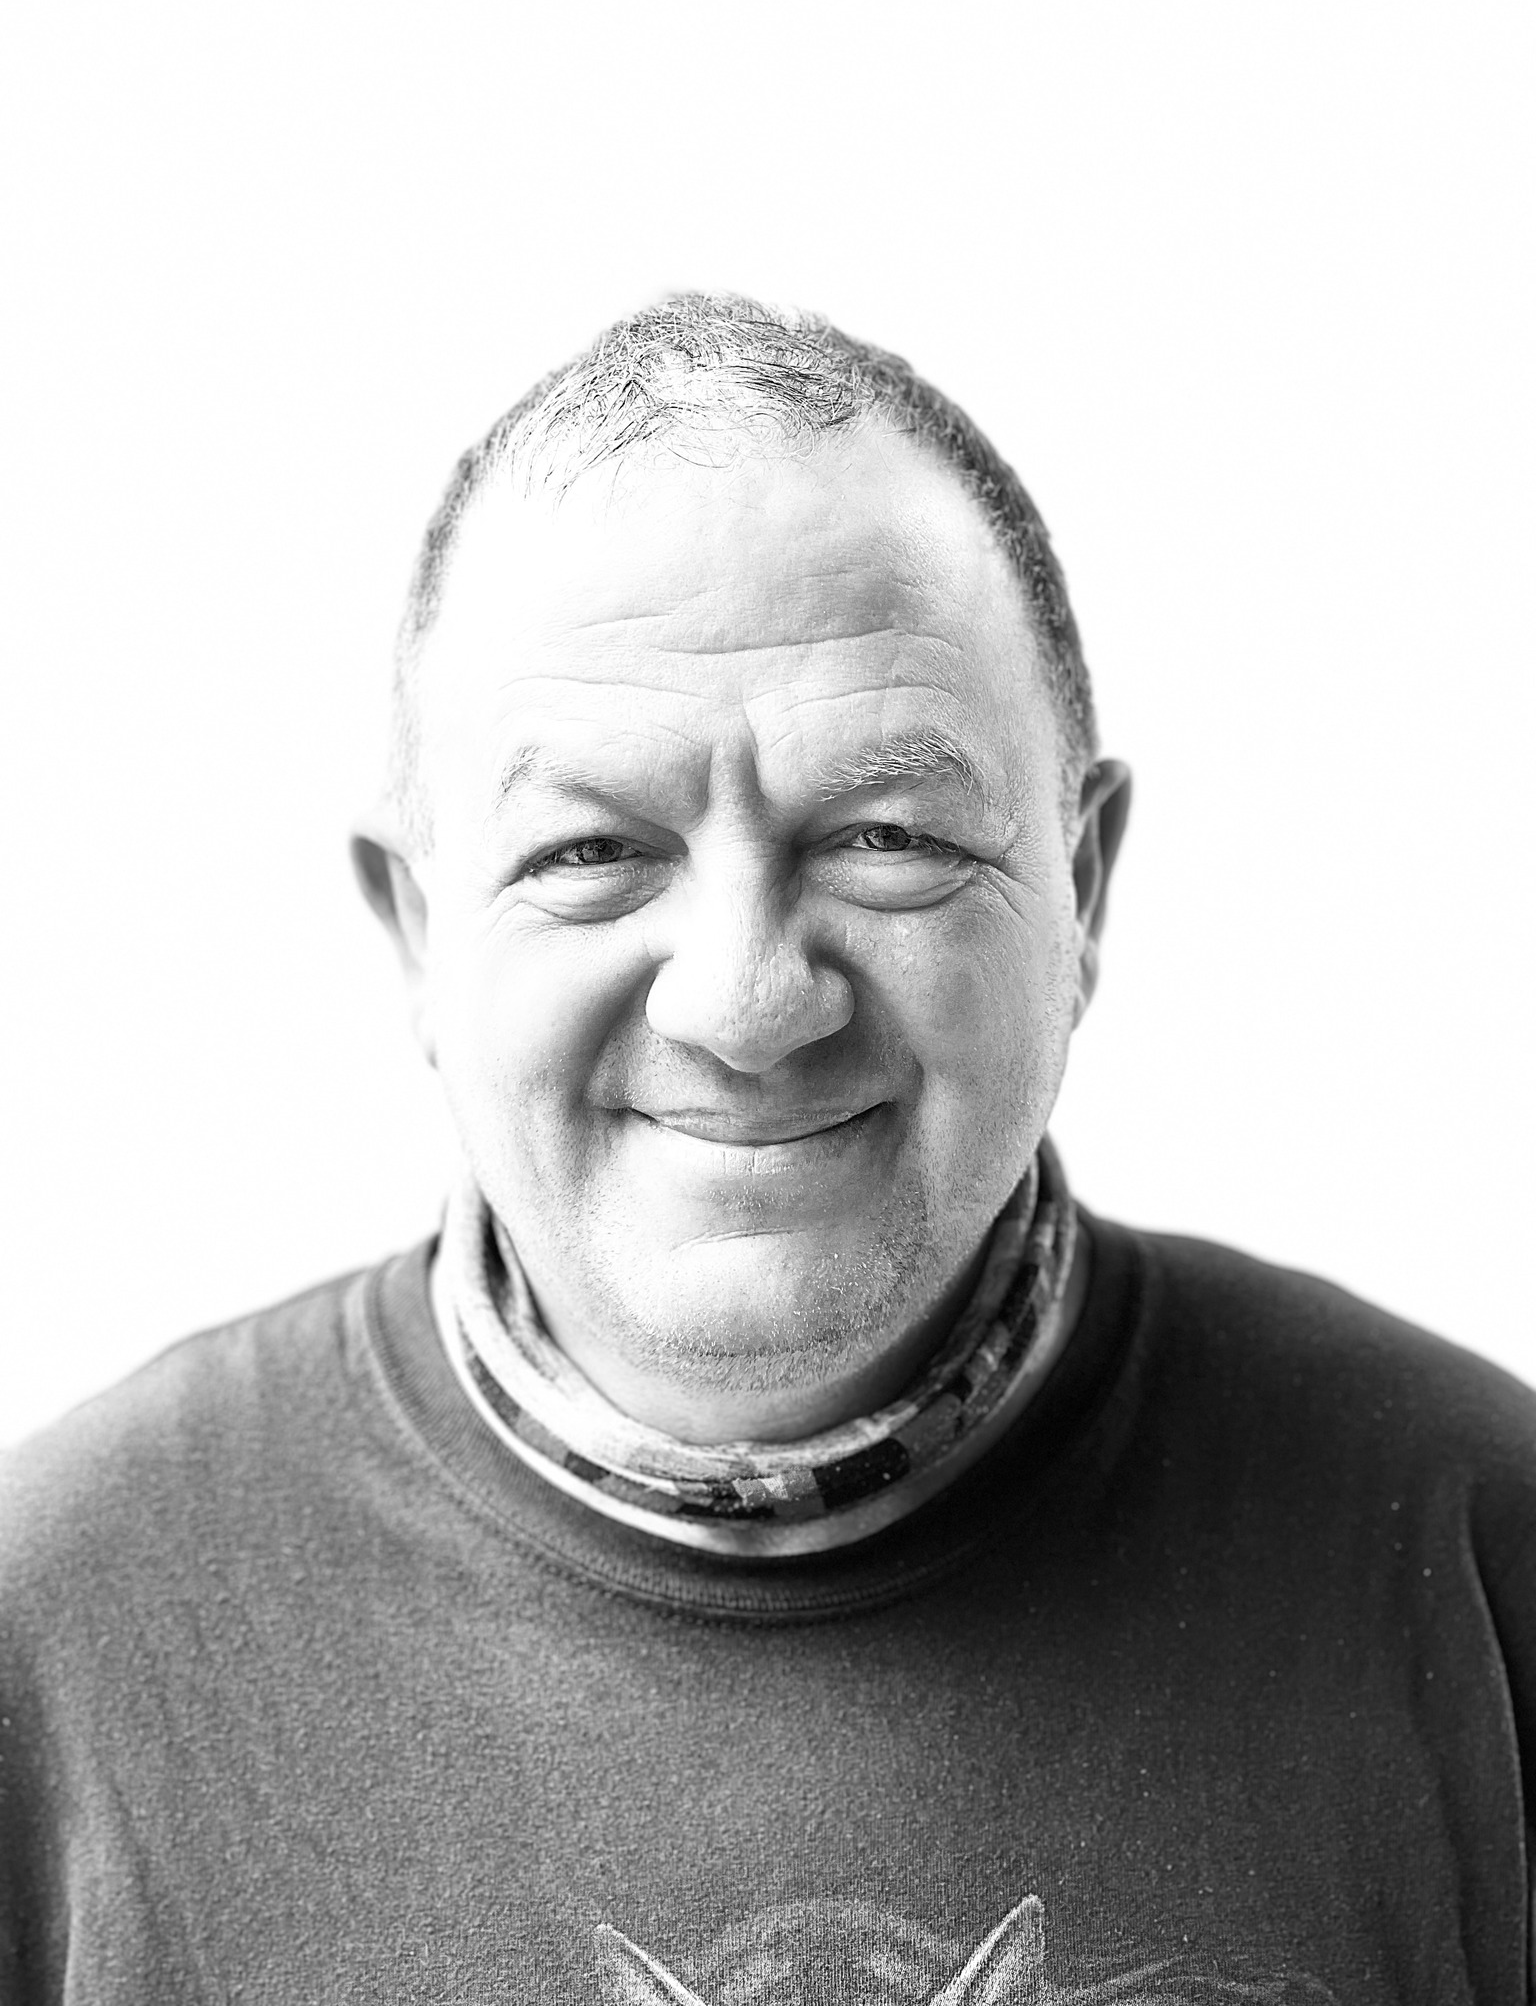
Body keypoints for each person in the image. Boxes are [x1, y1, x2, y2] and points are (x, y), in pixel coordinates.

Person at [1, 294, 1531, 2006]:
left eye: (885, 835)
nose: (743, 1001)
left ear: (1082, 886)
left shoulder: (1492, 1569)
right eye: (590, 852)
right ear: (419, 928)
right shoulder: (46, 1648)